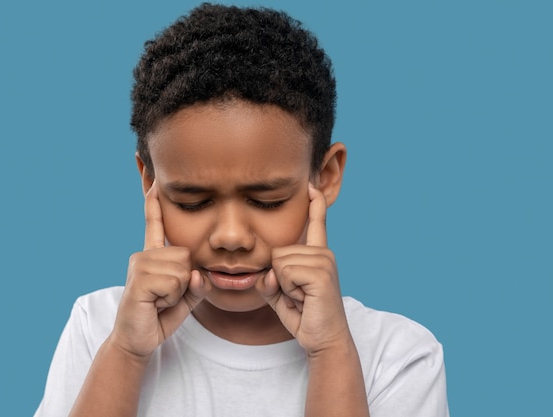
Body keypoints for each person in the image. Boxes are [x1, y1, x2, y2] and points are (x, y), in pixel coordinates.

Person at [34, 3, 449, 417]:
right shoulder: (100, 327)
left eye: (266, 200)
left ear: (325, 177)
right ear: (151, 184)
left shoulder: (398, 356)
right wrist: (125, 353)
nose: (231, 236)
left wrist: (331, 351)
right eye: (192, 201)